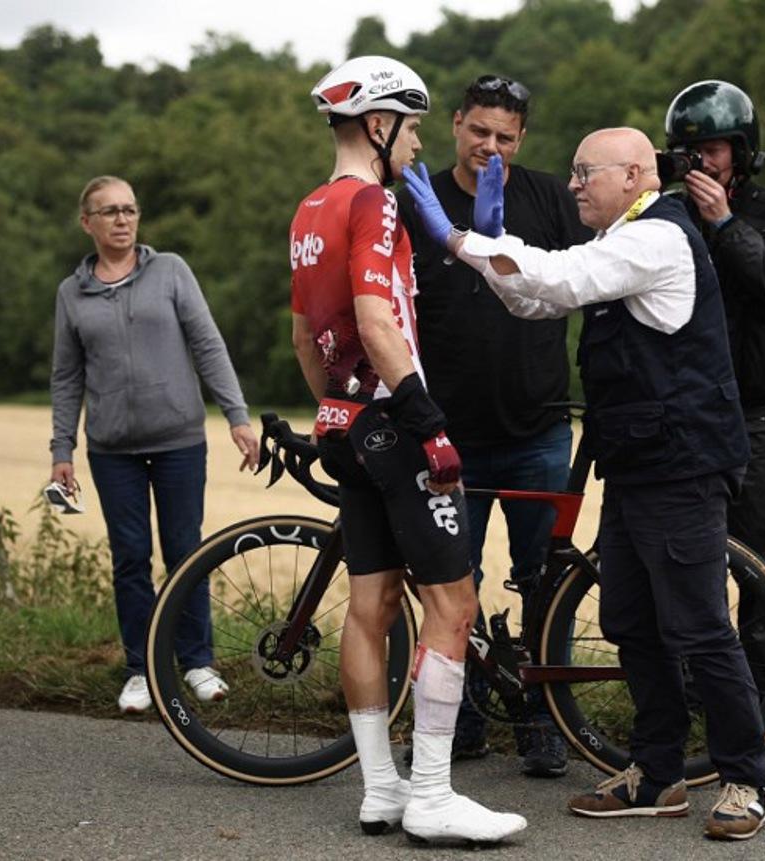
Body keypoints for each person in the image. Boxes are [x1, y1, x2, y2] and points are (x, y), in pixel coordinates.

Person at [405, 127, 765, 841]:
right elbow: (535, 300)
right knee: (630, 620)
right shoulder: (619, 242)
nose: (573, 186)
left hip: (682, 462)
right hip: (639, 462)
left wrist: (456, 239)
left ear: (635, 173)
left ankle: (744, 778)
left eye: (585, 173)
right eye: (571, 174)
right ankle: (657, 773)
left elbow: (561, 278)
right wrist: (489, 248)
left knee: (697, 623)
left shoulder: (658, 237)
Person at [290, 55, 526, 845]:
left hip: (346, 425)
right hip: (398, 423)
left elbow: (304, 335)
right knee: (453, 604)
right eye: (414, 126)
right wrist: (428, 423)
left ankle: (381, 789)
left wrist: (336, 407)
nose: (420, 143)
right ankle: (430, 792)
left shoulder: (309, 209)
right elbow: (377, 318)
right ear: (378, 123)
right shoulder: (374, 204)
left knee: (370, 606)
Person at [396, 74, 592, 777]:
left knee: (547, 585)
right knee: (454, 584)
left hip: (538, 428)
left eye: (505, 137)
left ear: (522, 140)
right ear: (455, 124)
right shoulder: (414, 201)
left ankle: (546, 719)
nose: (490, 146)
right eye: (479, 131)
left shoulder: (545, 197)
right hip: (448, 433)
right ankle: (465, 716)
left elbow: (586, 281)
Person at [49, 175, 260, 714]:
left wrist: (236, 414)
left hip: (179, 441)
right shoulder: (72, 294)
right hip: (111, 449)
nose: (122, 219)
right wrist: (61, 451)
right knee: (130, 560)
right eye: (110, 211)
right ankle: (141, 669)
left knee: (186, 552)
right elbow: (67, 377)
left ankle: (197, 663)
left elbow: (207, 343)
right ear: (87, 222)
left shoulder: (170, 270)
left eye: (130, 209)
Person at [664, 81, 765, 725]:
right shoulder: (664, 215)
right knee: (685, 559)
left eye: (714, 149)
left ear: (743, 150)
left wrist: (723, 221)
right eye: (690, 151)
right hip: (684, 410)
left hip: (756, 414)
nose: (703, 162)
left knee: (763, 561)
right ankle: (695, 692)